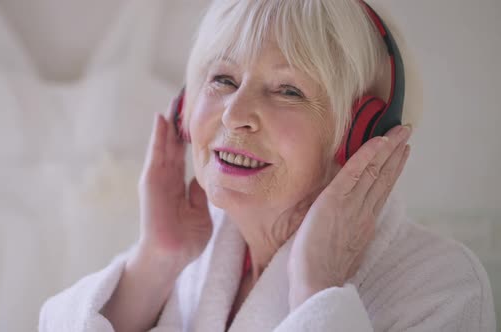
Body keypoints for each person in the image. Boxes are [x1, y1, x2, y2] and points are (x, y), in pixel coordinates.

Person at [39, 0, 496, 331]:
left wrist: (317, 292)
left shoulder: (443, 286)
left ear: (362, 135)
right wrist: (157, 257)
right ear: (185, 108)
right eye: (223, 79)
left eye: (288, 91)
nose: (235, 115)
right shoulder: (193, 258)